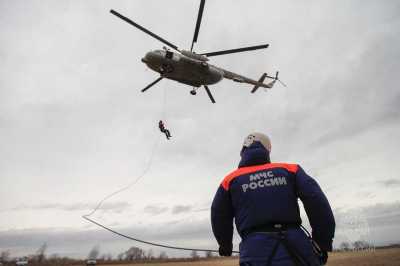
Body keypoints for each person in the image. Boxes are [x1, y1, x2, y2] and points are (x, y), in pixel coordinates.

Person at [211, 133, 335, 266]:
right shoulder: (291, 170)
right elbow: (317, 202)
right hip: (297, 247)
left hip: (254, 251)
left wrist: (225, 245)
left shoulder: (230, 180)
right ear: (267, 150)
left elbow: (218, 215)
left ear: (243, 151)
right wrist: (322, 242)